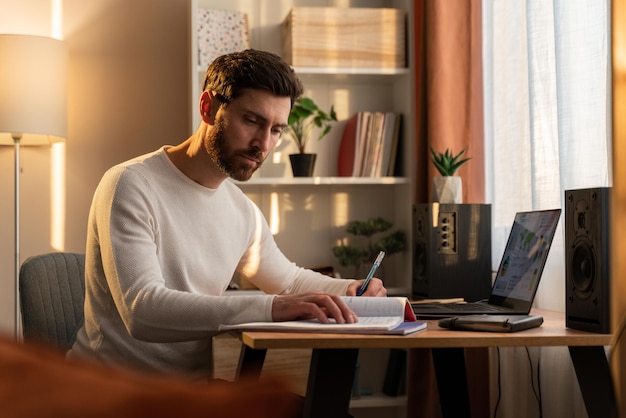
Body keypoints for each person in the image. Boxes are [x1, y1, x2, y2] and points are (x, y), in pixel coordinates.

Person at [68, 49, 386, 379]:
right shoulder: (131, 184)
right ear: (208, 107)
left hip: (192, 395)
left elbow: (287, 281)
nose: (263, 144)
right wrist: (270, 308)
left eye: (276, 130)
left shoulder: (241, 210)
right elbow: (142, 310)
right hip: (108, 393)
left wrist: (348, 289)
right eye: (252, 121)